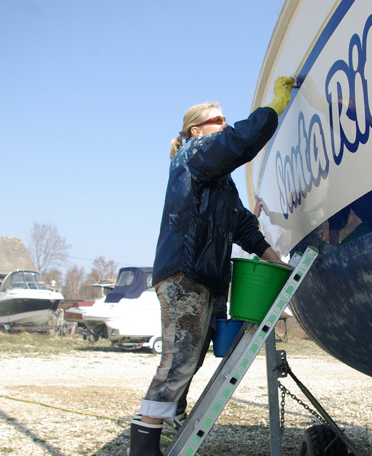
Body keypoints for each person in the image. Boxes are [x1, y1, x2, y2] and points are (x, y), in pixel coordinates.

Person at [128, 76, 295, 456]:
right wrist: (273, 109)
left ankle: (169, 417)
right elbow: (238, 142)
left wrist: (275, 260)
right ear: (196, 130)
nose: (224, 125)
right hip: (185, 274)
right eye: (217, 120)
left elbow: (241, 225)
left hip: (207, 278)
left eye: (223, 120)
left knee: (194, 355)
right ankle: (142, 445)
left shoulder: (219, 181)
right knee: (180, 358)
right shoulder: (193, 155)